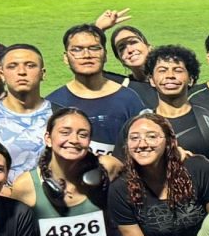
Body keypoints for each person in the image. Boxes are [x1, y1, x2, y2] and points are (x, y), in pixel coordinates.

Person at [12, 107, 114, 236]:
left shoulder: (108, 168)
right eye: (65, 132)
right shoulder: (26, 186)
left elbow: (141, 172)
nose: (74, 140)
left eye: (82, 134)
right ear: (48, 138)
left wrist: (177, 153)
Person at [46, 23, 146, 152]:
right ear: (66, 58)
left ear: (105, 55)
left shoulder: (129, 99)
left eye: (94, 48)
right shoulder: (54, 102)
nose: (86, 55)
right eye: (77, 50)